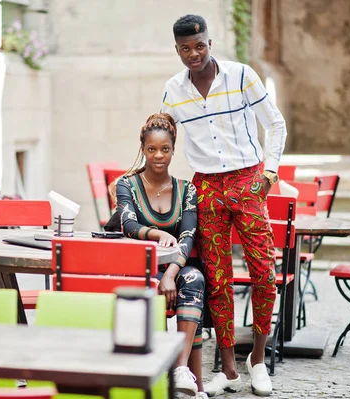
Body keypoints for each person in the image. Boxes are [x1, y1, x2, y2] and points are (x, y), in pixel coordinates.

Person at [159, 15, 288, 397]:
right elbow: (160, 136)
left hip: (248, 181)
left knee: (265, 272)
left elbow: (275, 124)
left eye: (199, 46)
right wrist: (149, 182)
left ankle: (258, 360)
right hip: (207, 190)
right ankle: (229, 369)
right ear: (177, 49)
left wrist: (270, 175)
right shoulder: (173, 89)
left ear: (209, 42)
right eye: (185, 48)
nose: (193, 54)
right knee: (218, 282)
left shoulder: (241, 75)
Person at [112, 113, 206, 399]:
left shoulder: (186, 189)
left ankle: (180, 372)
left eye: (165, 149)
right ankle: (144, 372)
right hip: (136, 269)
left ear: (174, 149)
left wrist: (168, 275)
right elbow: (128, 225)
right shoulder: (127, 184)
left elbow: (188, 237)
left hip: (173, 270)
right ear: (143, 148)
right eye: (152, 149)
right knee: (157, 283)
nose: (158, 156)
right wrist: (157, 233)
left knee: (195, 278)